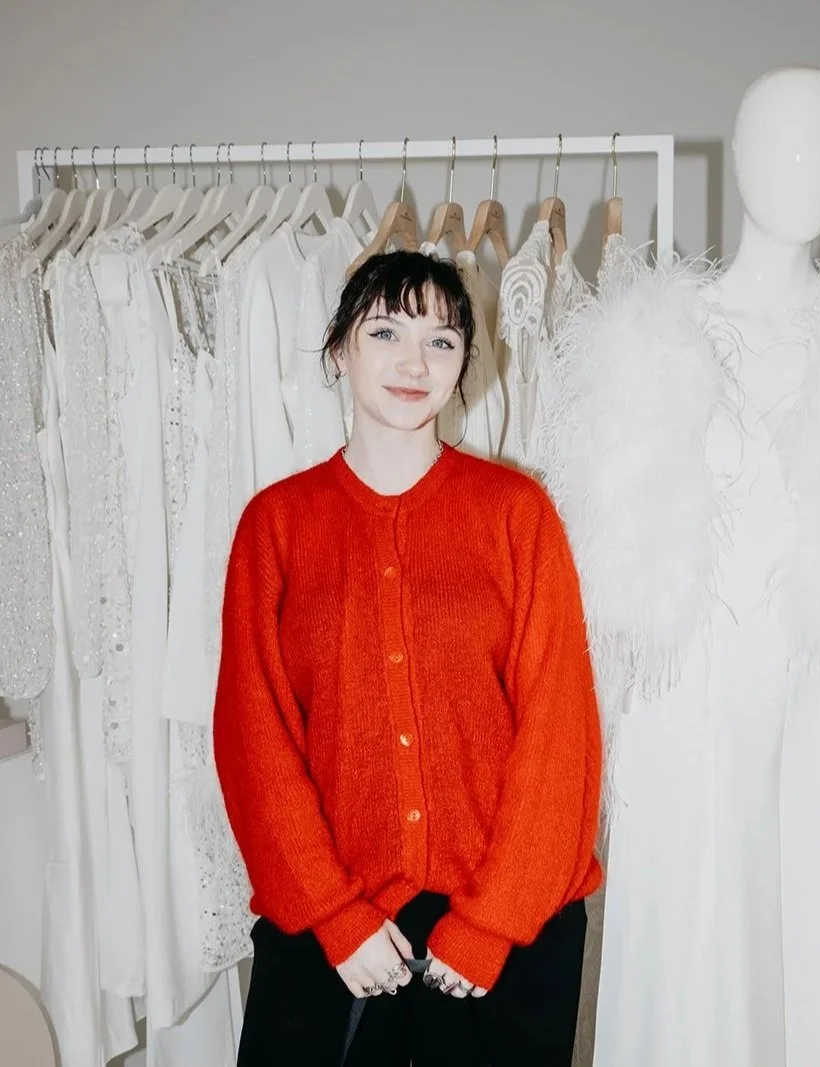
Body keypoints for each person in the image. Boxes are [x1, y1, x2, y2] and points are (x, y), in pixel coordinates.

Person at [214, 250, 603, 1066]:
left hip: (499, 932)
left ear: (466, 364)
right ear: (338, 350)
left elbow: (558, 736)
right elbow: (255, 740)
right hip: (333, 934)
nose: (412, 361)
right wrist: (336, 916)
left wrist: (490, 923)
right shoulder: (275, 525)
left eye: (442, 340)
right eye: (385, 330)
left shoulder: (516, 516)